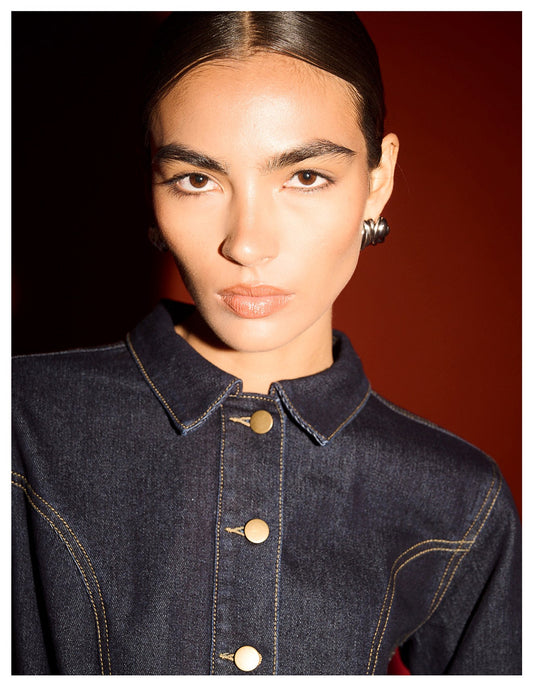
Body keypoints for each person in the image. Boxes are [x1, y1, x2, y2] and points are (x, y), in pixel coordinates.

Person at [12, 11, 521, 675]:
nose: (248, 244)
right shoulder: (21, 421)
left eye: (305, 175)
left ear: (377, 181)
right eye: (196, 179)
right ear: (153, 186)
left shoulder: (458, 497)